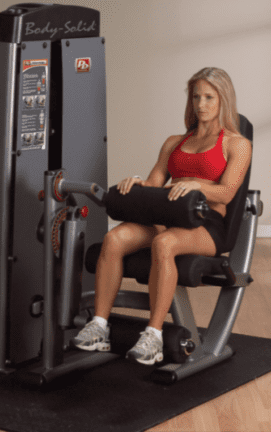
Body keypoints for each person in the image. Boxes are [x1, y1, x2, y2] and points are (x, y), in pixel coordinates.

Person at [72, 67, 252, 365]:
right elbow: (155, 184)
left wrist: (198, 185)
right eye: (196, 97)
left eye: (209, 97)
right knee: (114, 238)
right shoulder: (173, 142)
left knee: (165, 244)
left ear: (224, 100)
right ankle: (99, 327)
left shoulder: (237, 144)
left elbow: (228, 193)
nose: (201, 104)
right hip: (166, 216)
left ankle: (153, 335)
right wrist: (137, 183)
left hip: (208, 226)